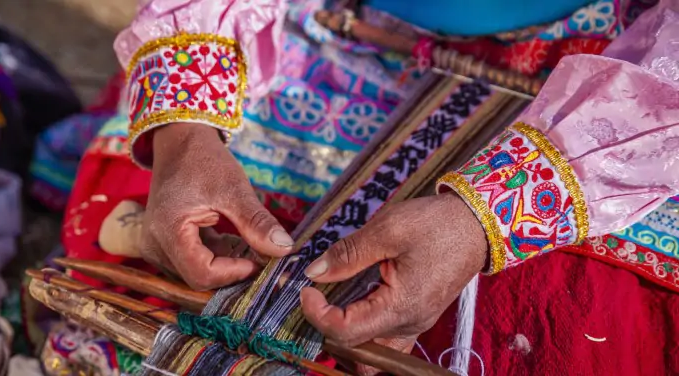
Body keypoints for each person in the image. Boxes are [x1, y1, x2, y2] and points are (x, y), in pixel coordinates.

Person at [43, 0, 679, 375]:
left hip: (610, 86)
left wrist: (484, 220)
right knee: (144, 199)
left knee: (566, 332)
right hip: (348, 32)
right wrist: (186, 130)